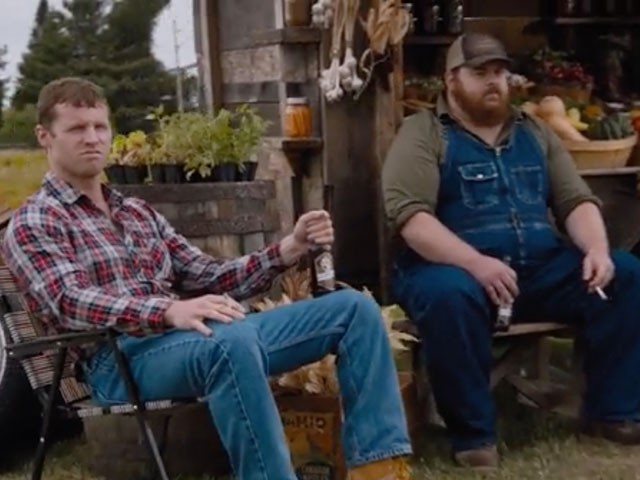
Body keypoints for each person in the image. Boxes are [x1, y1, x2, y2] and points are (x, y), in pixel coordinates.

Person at [3, 77, 413, 480]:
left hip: (198, 339)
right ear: (45, 136)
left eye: (99, 126)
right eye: (76, 128)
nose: (92, 138)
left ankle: (378, 469)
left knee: (354, 310)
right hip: (116, 361)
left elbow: (210, 274)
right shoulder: (36, 219)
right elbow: (69, 301)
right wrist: (168, 310)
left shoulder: (136, 212)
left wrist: (289, 248)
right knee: (228, 341)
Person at [383, 33, 640, 471]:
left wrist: (596, 250)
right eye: (479, 73)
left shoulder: (534, 130)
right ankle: (474, 434)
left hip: (536, 269)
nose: (494, 82)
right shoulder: (423, 133)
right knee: (450, 296)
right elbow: (410, 218)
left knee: (626, 271)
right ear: (451, 80)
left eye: (500, 72)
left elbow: (575, 200)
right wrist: (475, 263)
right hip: (450, 268)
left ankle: (612, 412)